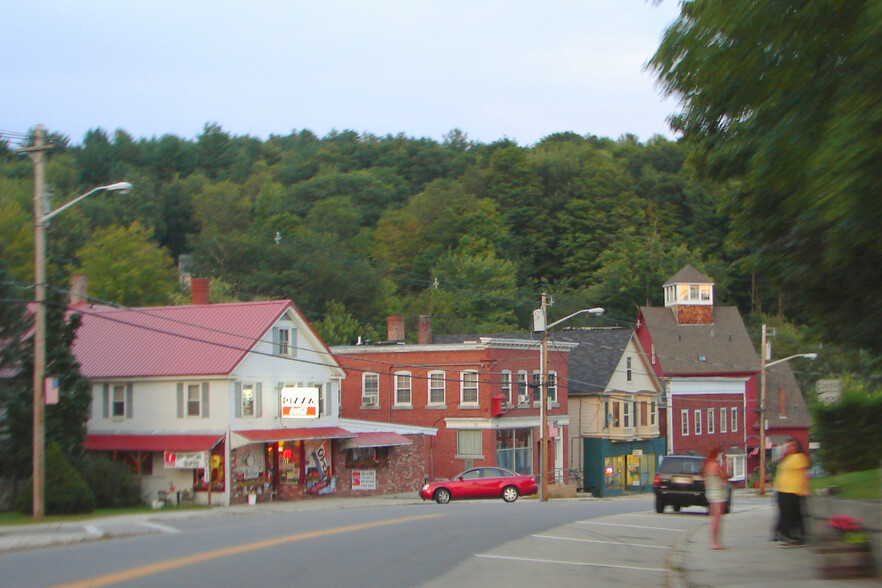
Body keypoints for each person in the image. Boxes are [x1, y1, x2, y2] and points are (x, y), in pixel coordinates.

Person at [773, 438, 811, 547]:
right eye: (787, 446)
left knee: (791, 514)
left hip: (793, 490)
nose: (789, 448)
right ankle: (786, 536)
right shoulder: (786, 459)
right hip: (782, 490)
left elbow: (804, 473)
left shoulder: (799, 458)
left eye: (792, 446)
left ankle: (795, 537)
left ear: (797, 447)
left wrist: (806, 488)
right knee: (784, 514)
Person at [704, 446, 729, 549]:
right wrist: (725, 466)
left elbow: (706, 481)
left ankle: (713, 540)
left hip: (710, 491)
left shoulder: (707, 464)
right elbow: (723, 478)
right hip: (718, 492)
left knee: (712, 517)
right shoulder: (715, 465)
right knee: (717, 519)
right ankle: (714, 542)